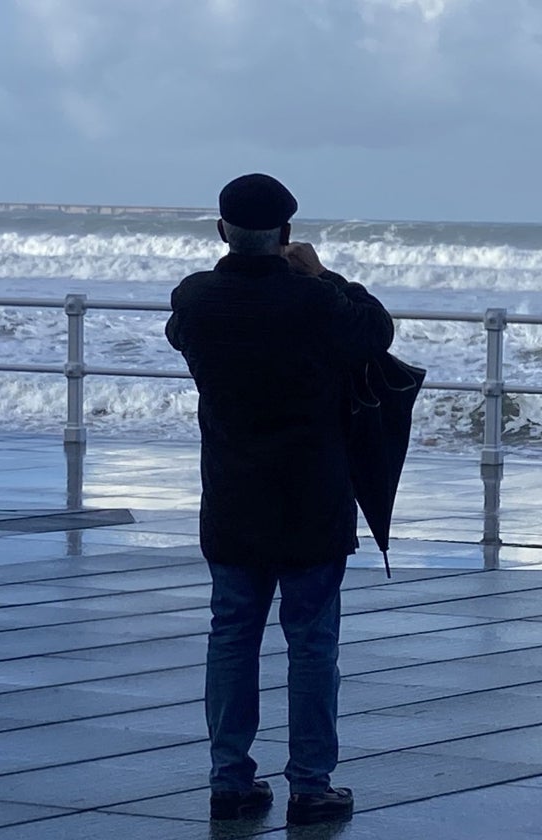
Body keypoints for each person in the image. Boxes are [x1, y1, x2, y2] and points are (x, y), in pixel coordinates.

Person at [165, 173, 394, 825]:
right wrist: (323, 276)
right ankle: (311, 784)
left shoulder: (197, 299)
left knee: (232, 636)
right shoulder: (314, 303)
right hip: (311, 498)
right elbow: (375, 332)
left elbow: (181, 332)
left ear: (221, 232)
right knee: (312, 642)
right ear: (287, 235)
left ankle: (229, 777)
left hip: (232, 497)